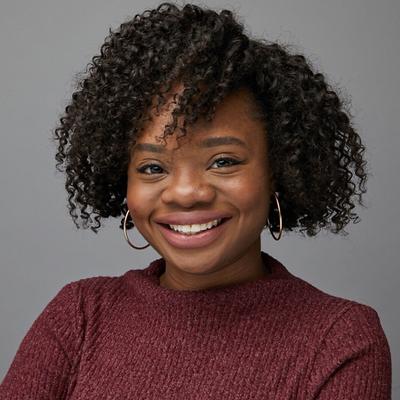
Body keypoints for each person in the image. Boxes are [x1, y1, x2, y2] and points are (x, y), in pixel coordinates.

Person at [0, 2, 392, 399]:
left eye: (223, 161)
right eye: (153, 167)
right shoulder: (79, 315)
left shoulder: (340, 340)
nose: (186, 193)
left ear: (278, 169)